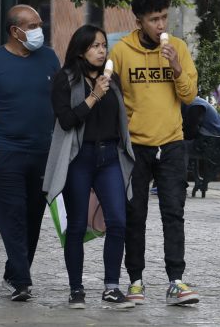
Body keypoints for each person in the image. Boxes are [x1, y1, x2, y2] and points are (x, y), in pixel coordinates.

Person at [109, 0, 199, 306]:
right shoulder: (121, 52)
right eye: (153, 19)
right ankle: (135, 280)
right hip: (135, 146)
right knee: (134, 214)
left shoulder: (180, 48)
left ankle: (176, 280)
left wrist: (175, 66)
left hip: (172, 143)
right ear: (139, 22)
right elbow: (113, 98)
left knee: (174, 212)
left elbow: (189, 96)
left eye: (164, 17)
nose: (160, 24)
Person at [0, 4, 60, 302]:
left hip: (44, 153)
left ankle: (14, 271)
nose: (38, 30)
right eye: (32, 25)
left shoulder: (49, 57)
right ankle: (22, 280)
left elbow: (60, 100)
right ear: (15, 30)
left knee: (33, 217)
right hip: (7, 152)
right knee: (12, 217)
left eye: (39, 24)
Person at [43, 25, 135, 310]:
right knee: (77, 225)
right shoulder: (66, 79)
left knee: (118, 221)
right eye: (95, 45)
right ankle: (76, 289)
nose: (101, 50)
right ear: (81, 49)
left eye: (103, 45)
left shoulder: (112, 79)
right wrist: (94, 96)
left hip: (109, 156)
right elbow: (67, 120)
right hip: (79, 158)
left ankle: (111, 287)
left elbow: (121, 117)